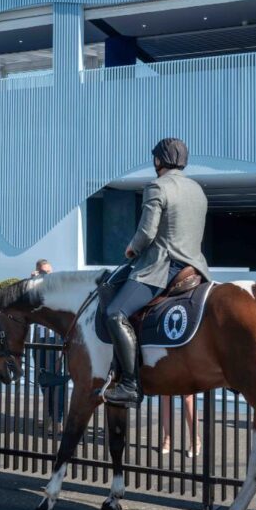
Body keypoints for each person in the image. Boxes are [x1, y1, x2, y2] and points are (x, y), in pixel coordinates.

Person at [103, 138, 210, 407]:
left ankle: (129, 384)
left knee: (114, 313)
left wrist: (131, 248)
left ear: (158, 160)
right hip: (195, 265)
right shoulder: (198, 189)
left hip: (162, 266)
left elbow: (147, 233)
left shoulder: (156, 186)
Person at [30, 260, 63, 433]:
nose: (47, 275)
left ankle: (58, 418)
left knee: (56, 379)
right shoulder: (33, 289)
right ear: (37, 271)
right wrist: (31, 283)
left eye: (49, 272)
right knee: (42, 378)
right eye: (43, 272)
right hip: (39, 338)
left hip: (55, 339)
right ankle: (50, 415)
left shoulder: (56, 288)